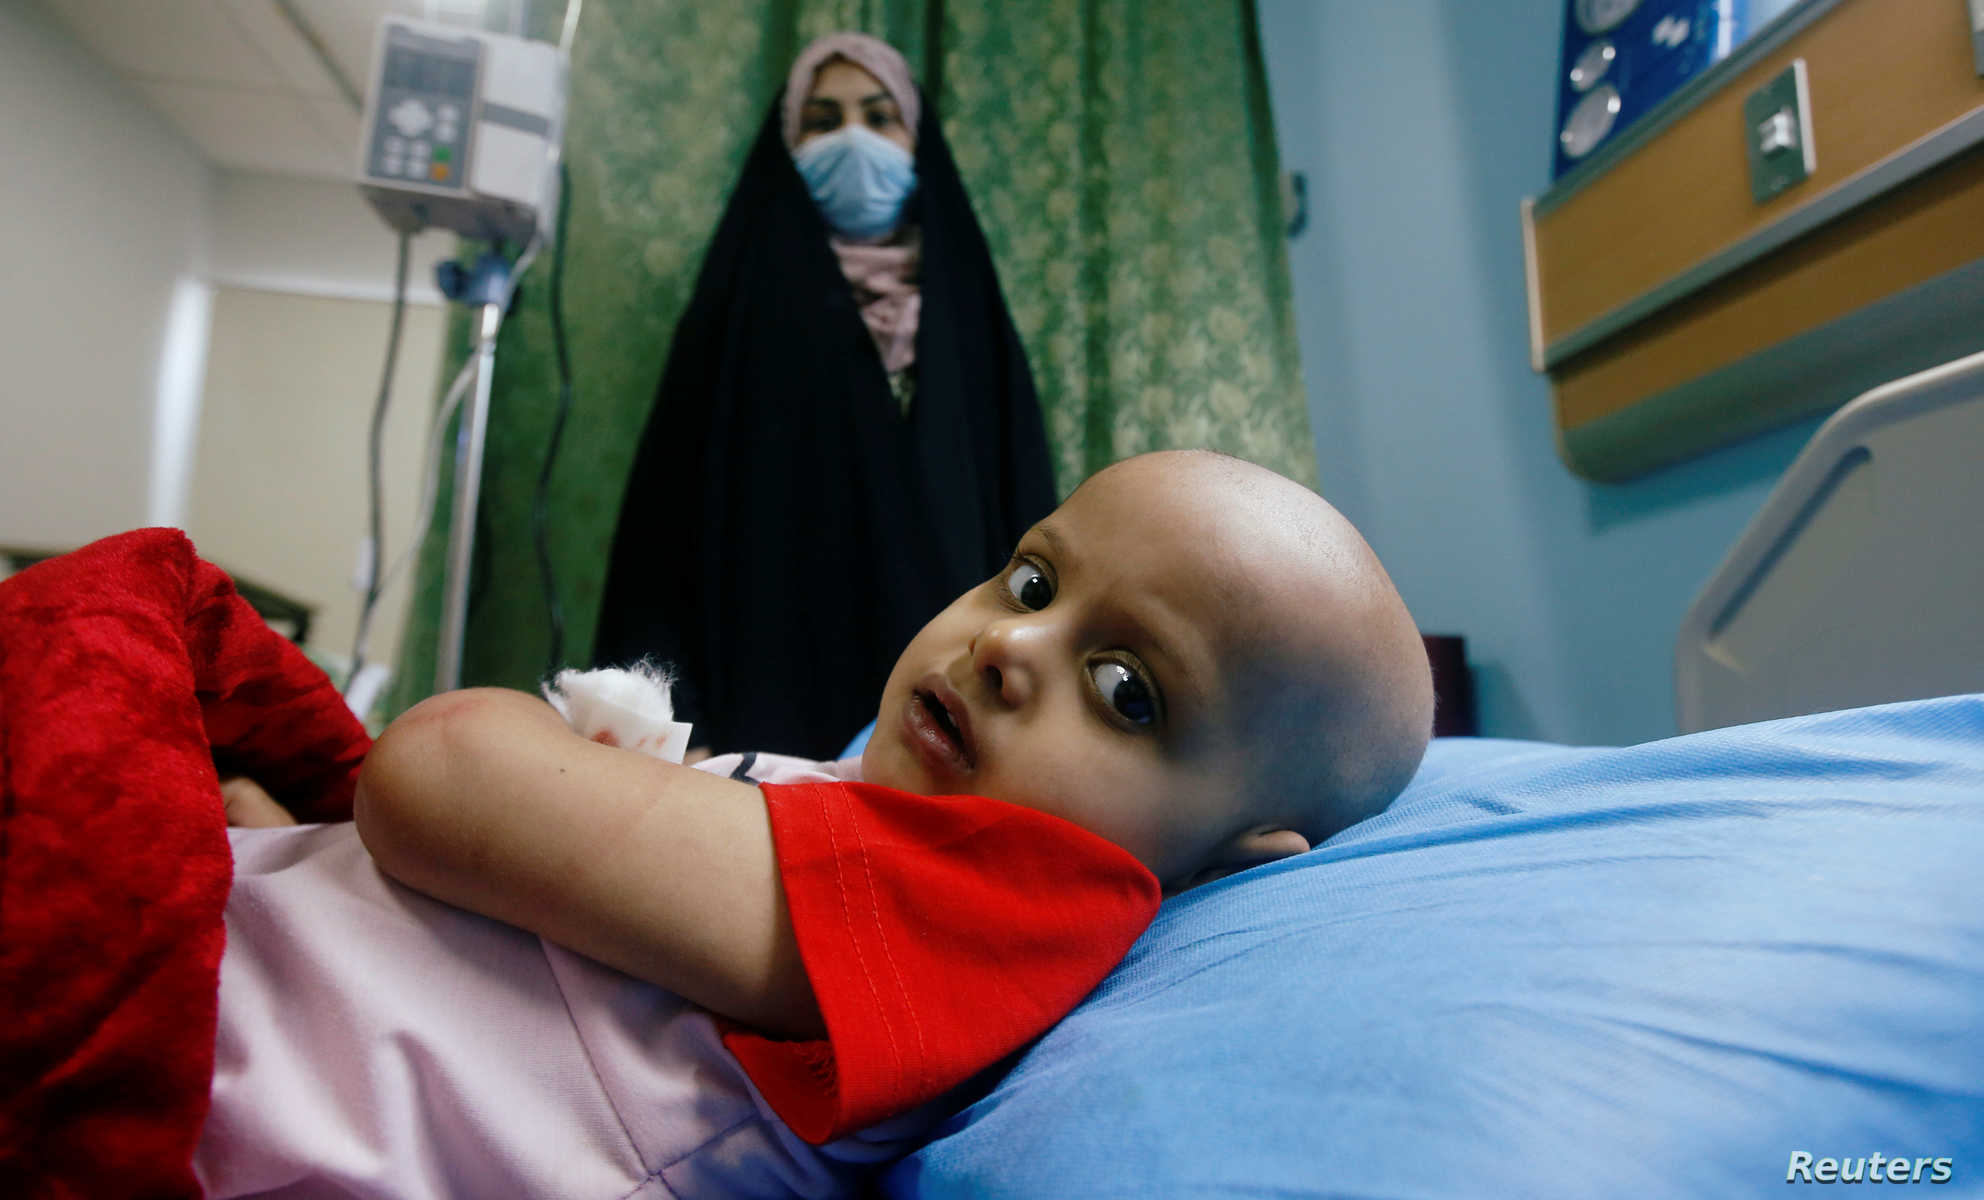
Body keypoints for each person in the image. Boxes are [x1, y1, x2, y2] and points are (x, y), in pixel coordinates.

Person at [197, 450, 1434, 1195]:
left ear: (1232, 860)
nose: (1009, 646)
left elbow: (437, 778)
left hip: (216, 1082)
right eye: (1033, 581)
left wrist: (484, 763)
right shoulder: (858, 807)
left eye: (1125, 690)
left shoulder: (997, 913)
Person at [592, 32, 1058, 765]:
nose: (853, 140)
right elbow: (666, 535)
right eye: (822, 120)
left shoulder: (966, 308)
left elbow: (1024, 510)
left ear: (917, 139)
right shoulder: (736, 310)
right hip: (765, 696)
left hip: (950, 718)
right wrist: (673, 724)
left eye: (879, 116)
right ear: (788, 144)